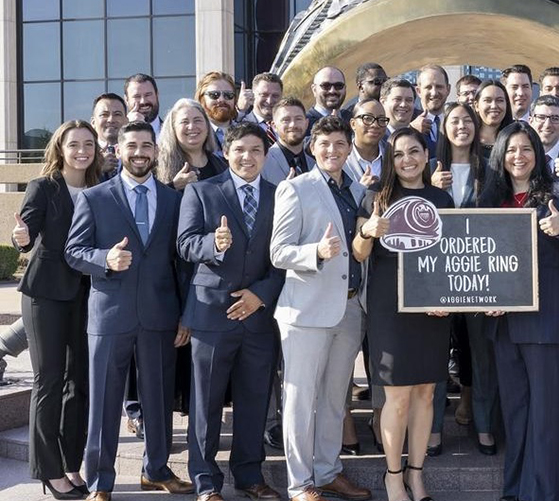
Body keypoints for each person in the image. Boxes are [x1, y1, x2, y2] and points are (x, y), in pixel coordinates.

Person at [65, 121, 193, 501]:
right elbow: (74, 252)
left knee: (157, 398)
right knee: (104, 400)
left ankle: (156, 470)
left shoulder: (173, 200)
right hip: (109, 315)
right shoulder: (95, 197)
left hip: (160, 315)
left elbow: (182, 263)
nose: (139, 153)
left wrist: (186, 315)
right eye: (131, 146)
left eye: (146, 146)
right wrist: (106, 257)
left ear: (156, 151)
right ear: (118, 151)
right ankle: (100, 482)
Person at [479, 123, 559, 501]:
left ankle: (542, 494)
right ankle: (515, 490)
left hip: (545, 321)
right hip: (503, 324)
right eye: (511, 150)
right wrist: (486, 300)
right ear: (501, 156)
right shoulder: (489, 199)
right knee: (516, 415)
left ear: (538, 154)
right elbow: (482, 263)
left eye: (526, 149)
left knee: (544, 416)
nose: (519, 156)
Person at [177, 124, 285, 501]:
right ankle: (206, 482)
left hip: (258, 316)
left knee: (255, 399)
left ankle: (249, 474)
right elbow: (185, 245)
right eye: (240, 149)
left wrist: (260, 295)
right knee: (205, 403)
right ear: (226, 150)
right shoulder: (202, 191)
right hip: (211, 315)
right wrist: (214, 243)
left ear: (265, 155)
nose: (248, 157)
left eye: (256, 150)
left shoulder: (280, 195)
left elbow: (284, 260)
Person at [269, 116, 372, 501]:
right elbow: (278, 252)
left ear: (349, 148)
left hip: (349, 309)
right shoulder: (295, 189)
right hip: (307, 312)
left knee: (333, 398)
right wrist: (315, 252)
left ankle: (328, 472)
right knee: (300, 399)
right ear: (312, 147)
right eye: (324, 143)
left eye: (340, 144)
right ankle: (300, 484)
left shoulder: (356, 190)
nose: (332, 150)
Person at [352, 127, 454, 501]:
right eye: (398, 154)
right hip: (390, 309)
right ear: (389, 161)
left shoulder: (442, 199)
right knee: (396, 397)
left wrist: (446, 298)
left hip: (432, 307)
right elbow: (359, 253)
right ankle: (392, 476)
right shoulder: (375, 197)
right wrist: (369, 230)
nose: (407, 160)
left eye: (414, 152)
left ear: (426, 157)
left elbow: (451, 258)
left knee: (426, 394)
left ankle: (416, 473)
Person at [14, 120, 103, 500]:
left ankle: (71, 463)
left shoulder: (101, 187)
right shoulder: (43, 187)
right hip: (45, 294)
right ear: (61, 148)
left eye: (88, 144)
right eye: (74, 144)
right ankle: (48, 471)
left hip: (86, 295)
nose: (82, 150)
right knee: (49, 380)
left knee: (78, 382)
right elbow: (26, 230)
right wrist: (21, 237)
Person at [428, 103, 493, 455]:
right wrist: (430, 187)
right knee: (436, 355)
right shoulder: (428, 168)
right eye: (454, 121)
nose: (461, 127)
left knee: (482, 355)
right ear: (444, 128)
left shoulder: (490, 167)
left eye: (468, 120)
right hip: (438, 277)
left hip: (479, 275)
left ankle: (484, 427)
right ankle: (435, 430)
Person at [156, 99, 226, 191]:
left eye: (197, 120)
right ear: (173, 129)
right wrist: (173, 186)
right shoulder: (157, 165)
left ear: (207, 126)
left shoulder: (222, 165)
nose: (192, 127)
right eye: (184, 122)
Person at [261, 97, 315, 186]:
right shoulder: (263, 163)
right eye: (286, 120)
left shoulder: (314, 163)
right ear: (274, 126)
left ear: (306, 124)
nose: (293, 125)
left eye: (298, 119)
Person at [195, 71, 240, 153]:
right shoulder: (194, 134)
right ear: (201, 99)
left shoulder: (245, 132)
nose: (222, 100)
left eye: (228, 95)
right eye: (214, 95)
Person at [412, 64, 452, 156]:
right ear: (418, 91)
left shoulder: (457, 121)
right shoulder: (409, 120)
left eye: (439, 87)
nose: (434, 93)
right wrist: (411, 129)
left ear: (448, 89)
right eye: (428, 87)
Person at [91, 93, 127, 180]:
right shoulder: (85, 153)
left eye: (117, 114)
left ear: (127, 121)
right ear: (93, 122)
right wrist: (97, 170)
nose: (111, 120)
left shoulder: (136, 152)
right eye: (104, 115)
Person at [473, 79, 514, 154]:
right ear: (476, 106)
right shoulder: (468, 139)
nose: (494, 106)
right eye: (487, 100)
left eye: (500, 100)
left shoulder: (516, 137)